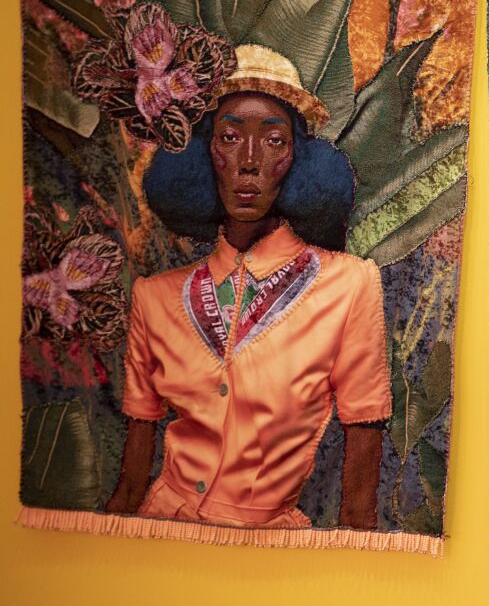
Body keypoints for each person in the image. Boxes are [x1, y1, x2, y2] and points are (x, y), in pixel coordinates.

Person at [105, 45, 390, 531]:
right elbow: (132, 482)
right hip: (157, 537)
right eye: (230, 138)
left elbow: (363, 439)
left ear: (300, 159)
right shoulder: (154, 298)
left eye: (275, 141)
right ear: (203, 156)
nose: (250, 161)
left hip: (271, 551)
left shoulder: (349, 284)